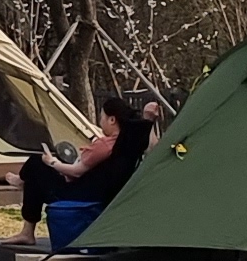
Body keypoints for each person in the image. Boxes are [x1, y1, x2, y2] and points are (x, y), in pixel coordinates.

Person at [16, 90, 167, 241]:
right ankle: (23, 186)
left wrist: (53, 162)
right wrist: (149, 121)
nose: (100, 122)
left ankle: (23, 202)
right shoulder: (129, 148)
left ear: (112, 120)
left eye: (102, 117)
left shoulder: (106, 145)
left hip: (79, 194)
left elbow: (76, 172)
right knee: (36, 175)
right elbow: (153, 146)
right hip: (101, 193)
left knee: (36, 164)